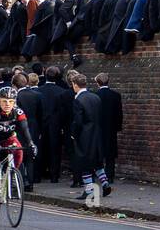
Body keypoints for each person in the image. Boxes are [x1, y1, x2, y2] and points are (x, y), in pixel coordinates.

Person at [0, 86, 37, 221]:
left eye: (11, 101)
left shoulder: (18, 111)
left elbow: (24, 128)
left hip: (8, 138)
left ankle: (11, 174)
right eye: (4, 101)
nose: (7, 105)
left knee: (19, 153)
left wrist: (31, 143)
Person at [69, 73, 110, 201]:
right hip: (97, 134)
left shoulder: (78, 100)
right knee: (97, 161)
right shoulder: (95, 97)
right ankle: (105, 183)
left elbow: (78, 122)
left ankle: (89, 191)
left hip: (84, 136)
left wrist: (73, 134)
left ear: (75, 85)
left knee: (84, 163)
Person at [37, 65, 72, 183]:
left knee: (41, 149)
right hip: (56, 125)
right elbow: (64, 112)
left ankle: (38, 175)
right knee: (55, 151)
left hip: (41, 125)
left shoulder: (38, 90)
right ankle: (54, 176)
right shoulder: (62, 92)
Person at [14, 71, 47, 191]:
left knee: (19, 155)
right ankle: (31, 183)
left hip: (19, 128)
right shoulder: (37, 94)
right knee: (30, 157)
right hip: (34, 127)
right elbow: (41, 114)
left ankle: (23, 181)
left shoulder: (16, 96)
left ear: (15, 85)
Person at [95, 73, 123, 184]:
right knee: (110, 154)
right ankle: (110, 176)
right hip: (111, 128)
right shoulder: (115, 95)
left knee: (99, 153)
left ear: (98, 83)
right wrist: (118, 127)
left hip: (99, 129)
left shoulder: (95, 95)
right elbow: (119, 113)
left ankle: (101, 176)